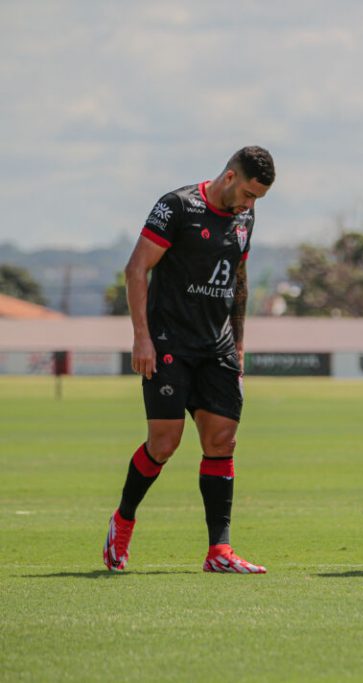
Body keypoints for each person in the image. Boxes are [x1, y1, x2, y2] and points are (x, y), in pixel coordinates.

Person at [102, 146, 275, 574]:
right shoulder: (176, 206)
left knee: (222, 441)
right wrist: (141, 338)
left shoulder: (245, 218)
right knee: (164, 444)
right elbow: (136, 269)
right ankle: (123, 520)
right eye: (250, 194)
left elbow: (238, 279)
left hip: (216, 347)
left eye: (258, 199)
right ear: (230, 177)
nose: (251, 205)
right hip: (168, 342)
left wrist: (238, 344)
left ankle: (219, 551)